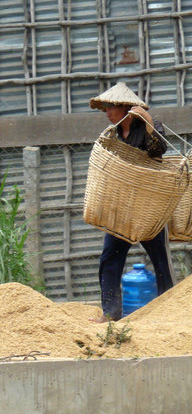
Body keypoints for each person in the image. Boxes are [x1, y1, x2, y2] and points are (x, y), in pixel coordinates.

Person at [88, 82, 176, 323]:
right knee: (110, 258)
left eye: (110, 108)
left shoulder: (150, 127)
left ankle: (168, 310)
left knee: (160, 260)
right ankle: (110, 312)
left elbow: (159, 151)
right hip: (122, 207)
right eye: (106, 109)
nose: (107, 113)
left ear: (125, 108)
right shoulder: (114, 134)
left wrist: (147, 119)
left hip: (147, 208)